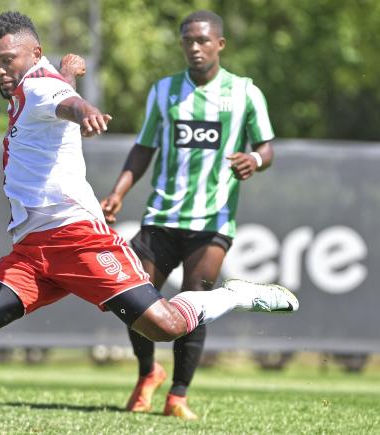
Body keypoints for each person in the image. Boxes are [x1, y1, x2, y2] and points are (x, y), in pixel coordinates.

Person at [0, 11, 297, 427]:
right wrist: (69, 76)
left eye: (8, 60)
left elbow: (61, 102)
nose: (1, 71)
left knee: (167, 326)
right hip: (33, 250)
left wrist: (83, 106)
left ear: (34, 54)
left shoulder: (40, 85)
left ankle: (236, 294)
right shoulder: (42, 79)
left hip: (78, 240)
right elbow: (57, 92)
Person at [99, 10, 277, 420]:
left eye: (202, 40)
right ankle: (148, 372)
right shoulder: (164, 92)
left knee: (194, 298)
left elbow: (267, 147)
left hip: (212, 219)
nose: (194, 48)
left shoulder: (245, 92)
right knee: (135, 297)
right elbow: (144, 148)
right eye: (187, 41)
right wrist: (118, 191)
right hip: (162, 214)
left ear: (220, 44)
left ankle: (178, 395)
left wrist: (253, 158)